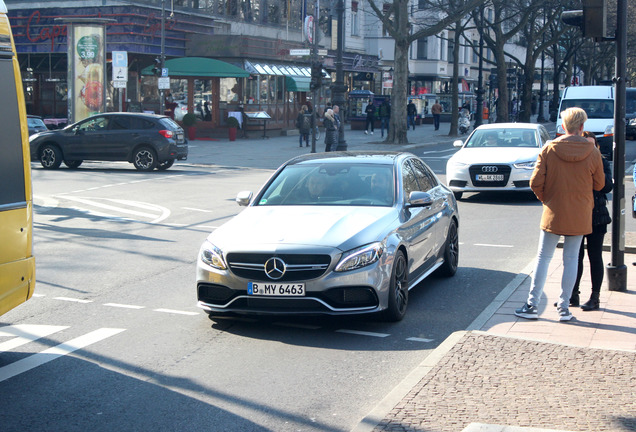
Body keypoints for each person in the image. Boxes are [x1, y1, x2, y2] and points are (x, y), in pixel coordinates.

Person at [515, 107, 605, 322]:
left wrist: (547, 199)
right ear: (582, 127)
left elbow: (535, 182)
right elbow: (600, 183)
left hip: (554, 211)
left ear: (563, 126)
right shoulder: (592, 151)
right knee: (571, 259)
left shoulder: (549, 148)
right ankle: (564, 308)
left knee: (543, 258)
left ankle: (532, 304)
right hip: (580, 212)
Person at [571, 131, 613, 311]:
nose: (589, 148)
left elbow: (607, 186)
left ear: (596, 146)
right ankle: (573, 294)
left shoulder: (601, 161)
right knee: (575, 257)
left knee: (594, 256)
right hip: (577, 214)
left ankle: (595, 297)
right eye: (585, 144)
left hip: (597, 215)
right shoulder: (575, 161)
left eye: (592, 144)